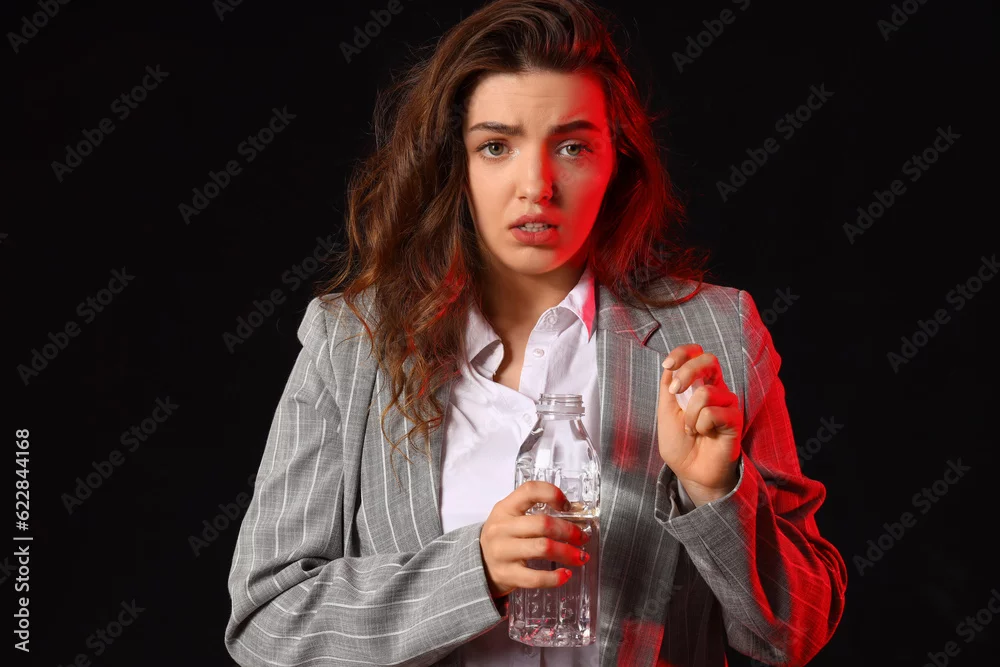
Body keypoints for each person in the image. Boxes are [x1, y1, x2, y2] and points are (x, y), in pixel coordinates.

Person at [224, 0, 847, 665]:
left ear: (618, 160)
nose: (537, 185)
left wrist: (716, 495)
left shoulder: (717, 332)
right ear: (455, 164)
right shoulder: (352, 341)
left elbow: (798, 631)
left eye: (572, 146)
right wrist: (473, 571)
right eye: (496, 146)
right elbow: (266, 625)